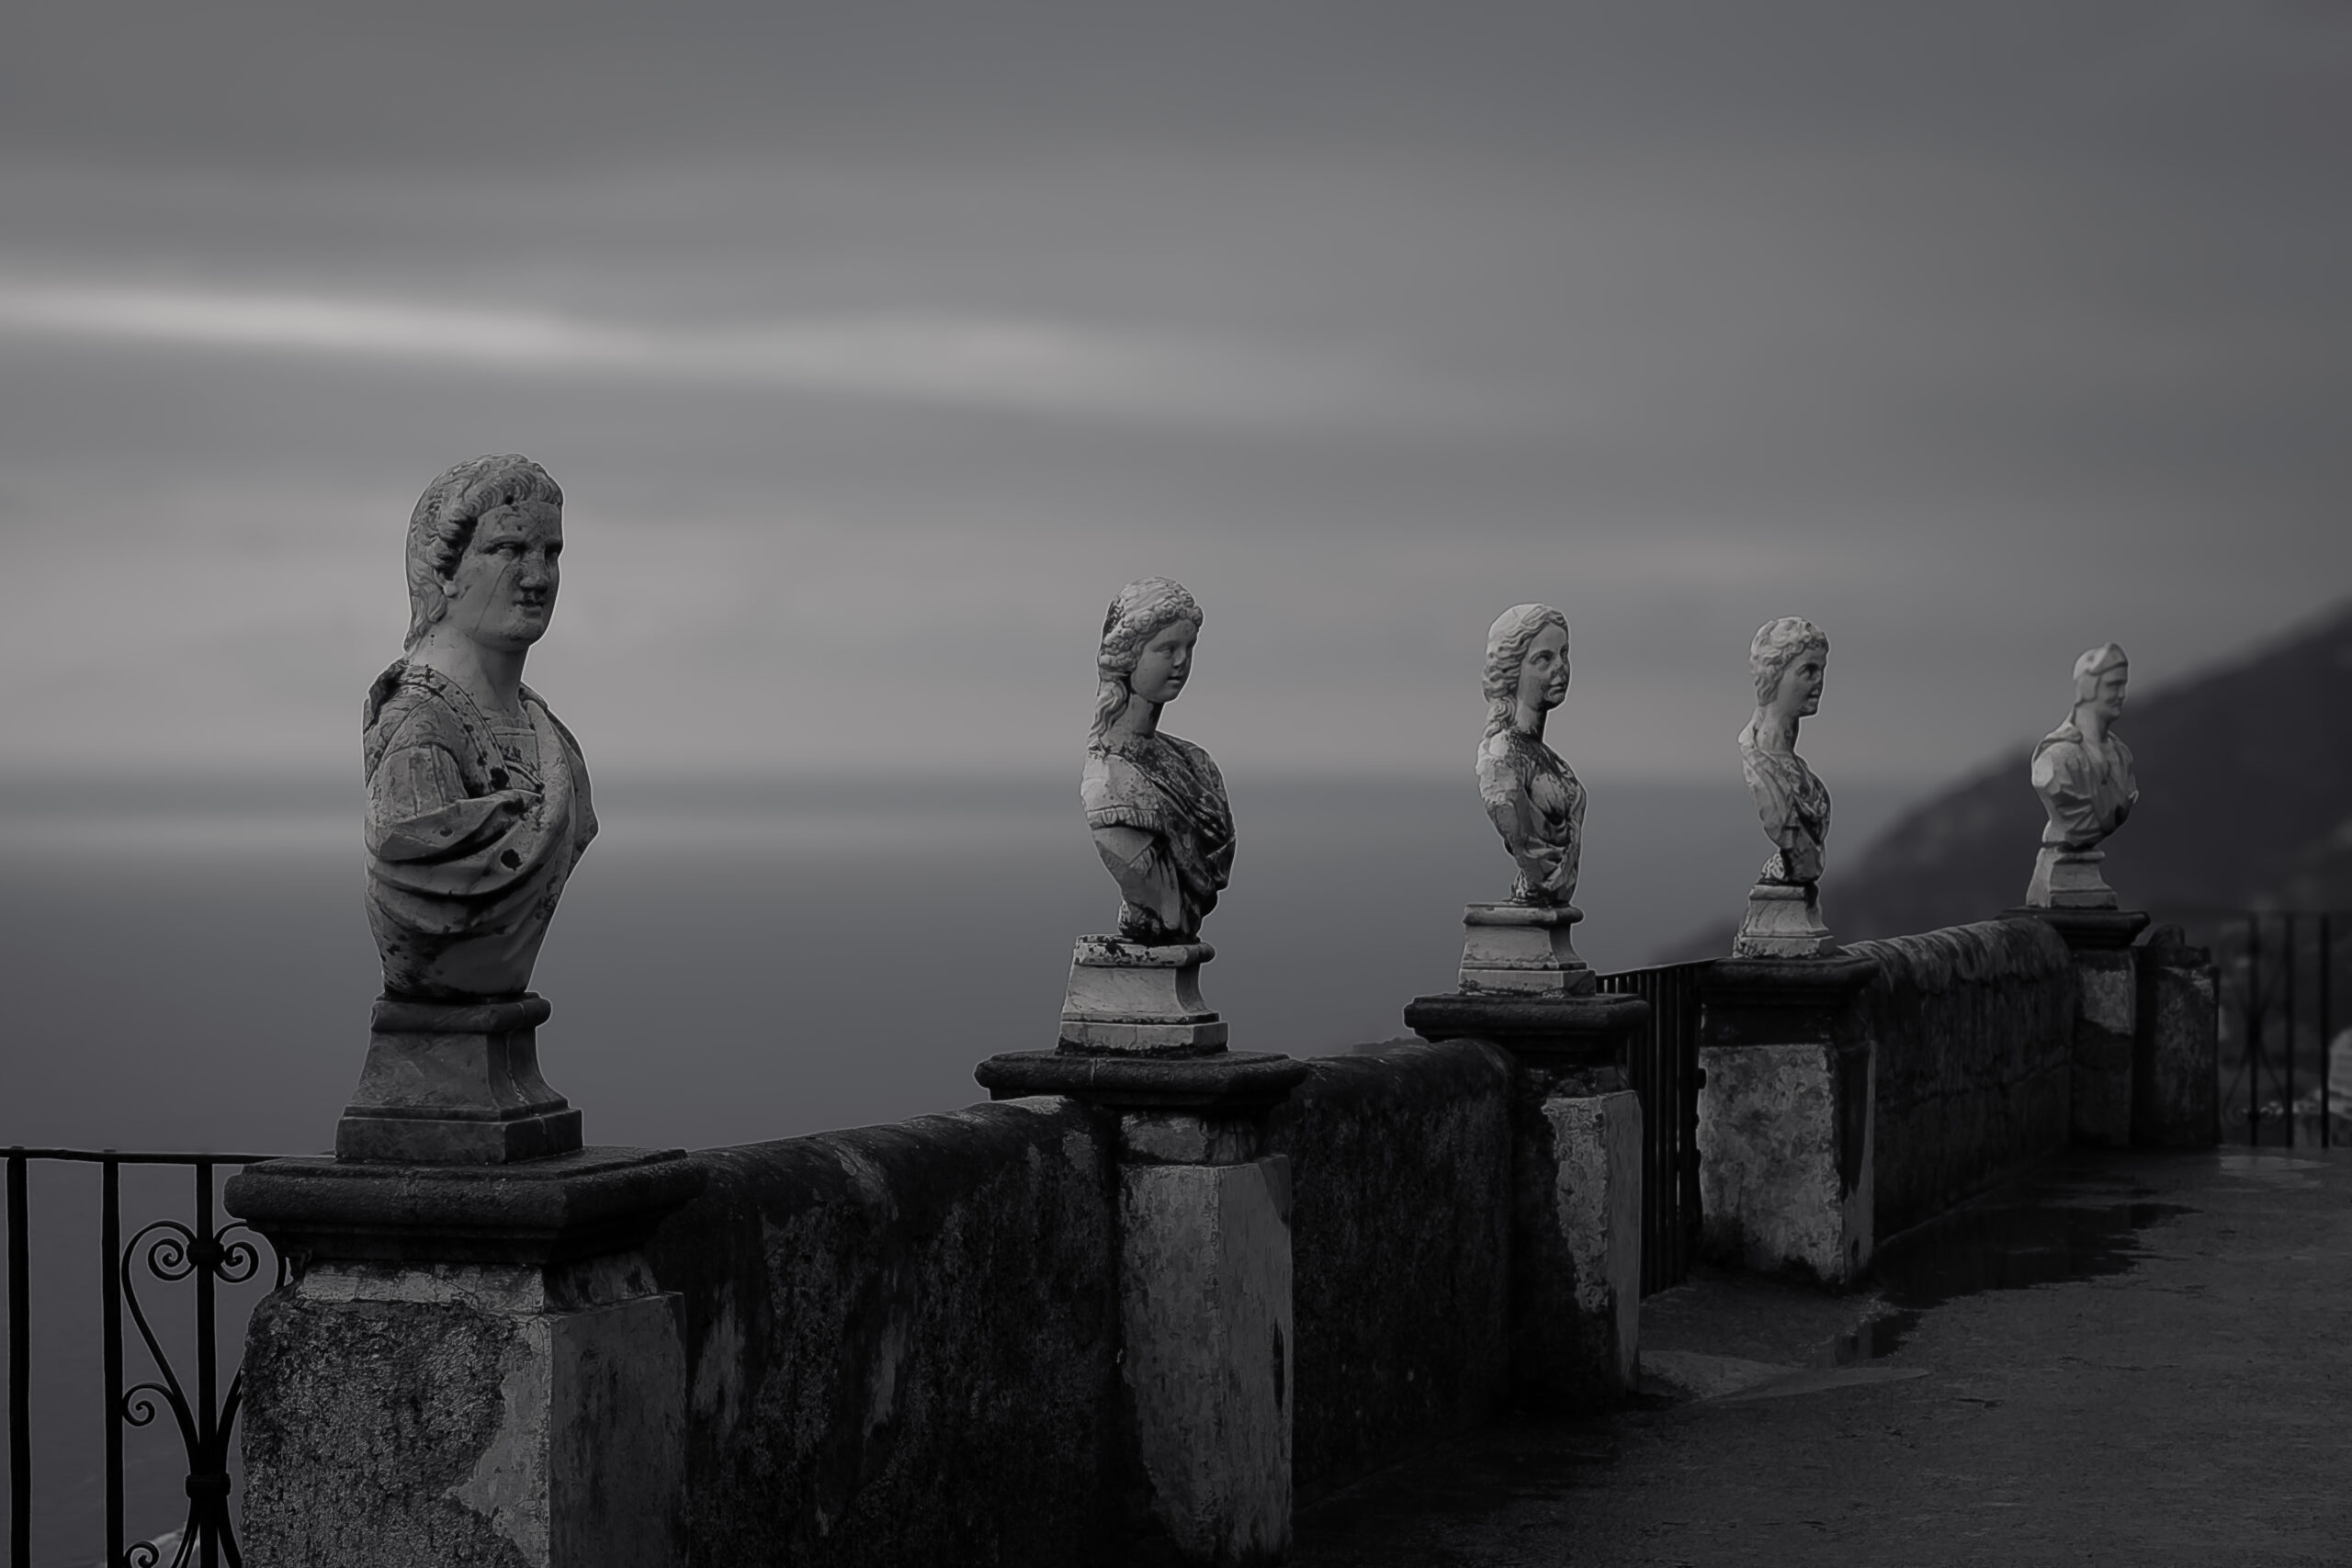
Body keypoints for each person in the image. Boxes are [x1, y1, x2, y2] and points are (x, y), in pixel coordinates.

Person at [362, 455, 596, 998]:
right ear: (444, 571)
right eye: (508, 550)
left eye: (550, 553)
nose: (537, 577)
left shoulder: (549, 736)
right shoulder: (420, 727)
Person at [1082, 578, 1233, 944]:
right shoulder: (1109, 780)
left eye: (1189, 647)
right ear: (1129, 656)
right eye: (1167, 649)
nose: (1181, 661)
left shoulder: (1197, 762)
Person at [1476, 603, 1586, 907]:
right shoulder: (1502, 755)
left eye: (1564, 654)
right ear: (1513, 671)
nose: (1560, 667)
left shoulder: (1553, 760)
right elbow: (1526, 842)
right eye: (1543, 659)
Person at [1739, 616, 1832, 886]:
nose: (1819, 682)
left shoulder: (1797, 767)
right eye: (1809, 671)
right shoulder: (1760, 761)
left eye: (1822, 671)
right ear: (1774, 674)